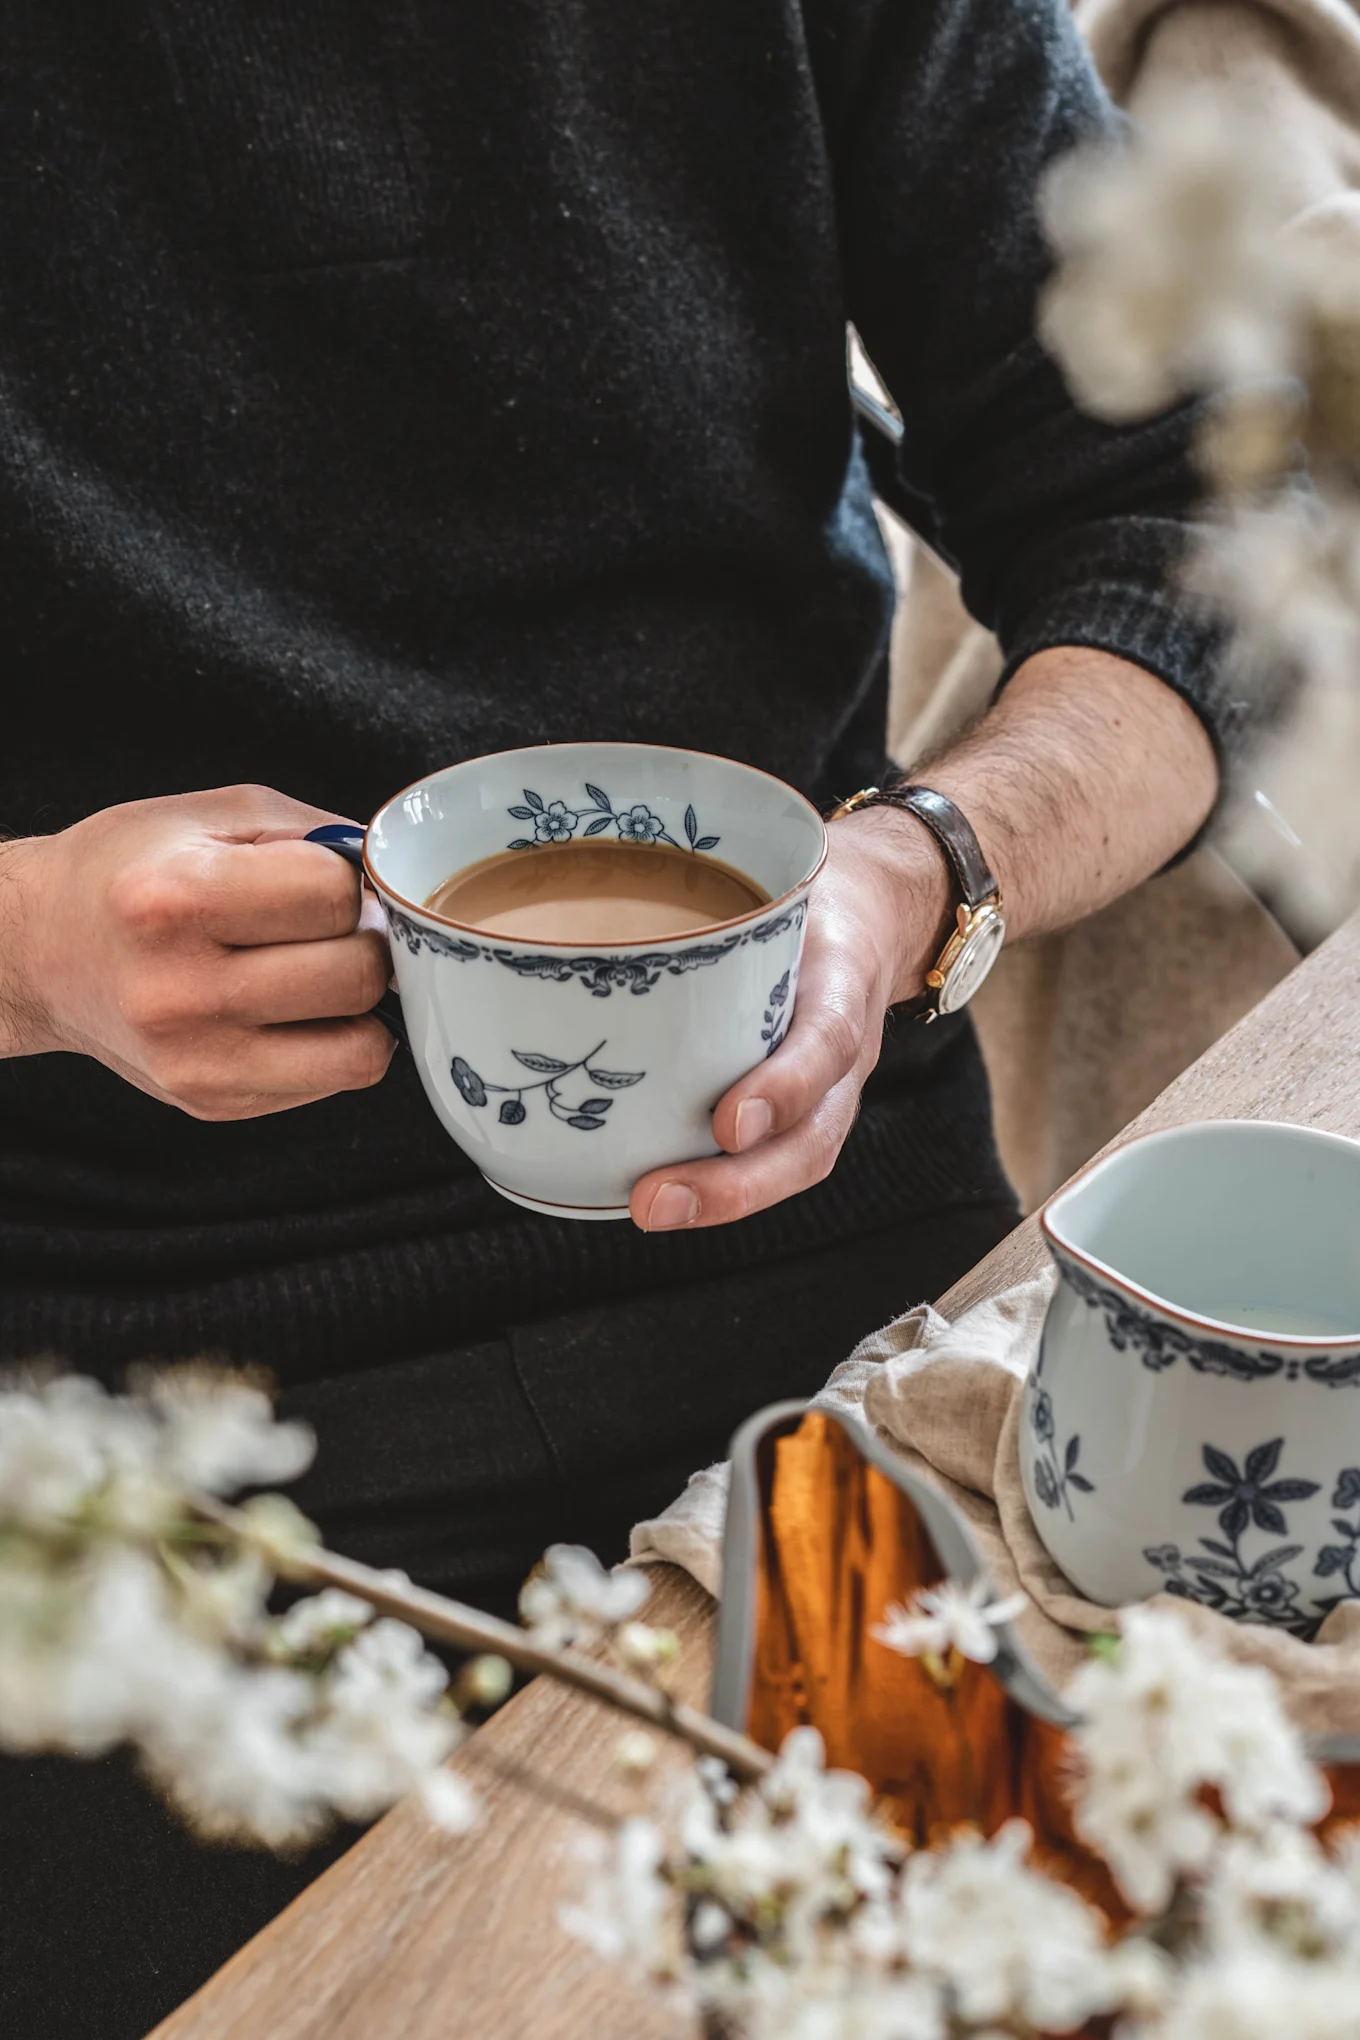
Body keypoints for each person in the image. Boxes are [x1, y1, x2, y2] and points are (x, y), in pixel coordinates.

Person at [0, 0, 1223, 2032]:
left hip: (840, 1283)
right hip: (124, 1415)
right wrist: (34, 945)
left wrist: (918, 869)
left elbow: (1181, 523)